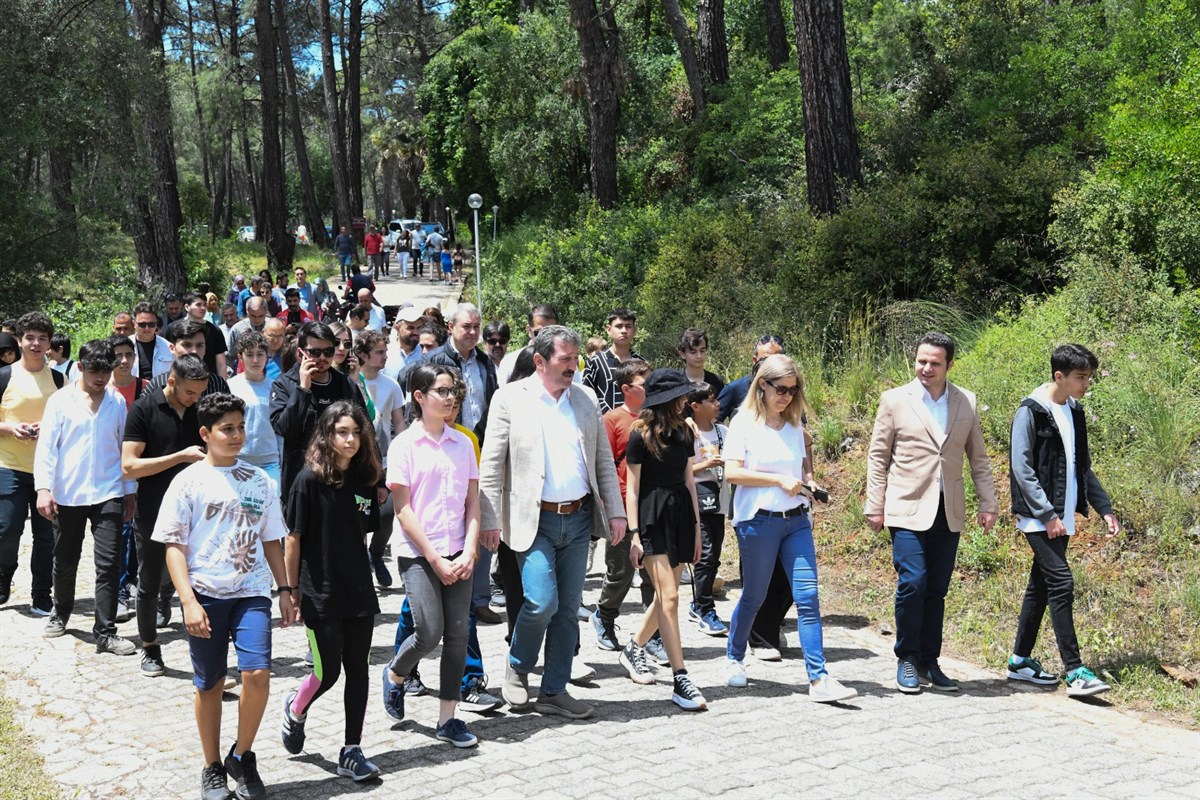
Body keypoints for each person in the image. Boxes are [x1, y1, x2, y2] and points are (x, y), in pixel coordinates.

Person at [479, 326, 626, 720]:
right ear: (540, 361)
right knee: (541, 601)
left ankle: (554, 690)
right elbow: (491, 465)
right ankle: (518, 664)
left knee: (567, 611)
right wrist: (489, 519)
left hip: (577, 519)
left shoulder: (585, 398)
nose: (573, 367)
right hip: (532, 520)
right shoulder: (509, 399)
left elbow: (603, 463)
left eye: (576, 359)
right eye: (565, 360)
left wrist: (616, 511)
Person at [154, 393, 294, 800]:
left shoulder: (259, 480)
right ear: (206, 433)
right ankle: (212, 766)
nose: (236, 436)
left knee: (257, 675)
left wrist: (284, 589)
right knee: (210, 684)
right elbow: (174, 546)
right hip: (205, 596)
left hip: (251, 592)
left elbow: (272, 539)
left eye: (240, 427)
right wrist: (188, 601)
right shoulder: (188, 481)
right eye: (226, 429)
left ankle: (242, 755)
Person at [865, 331, 999, 694]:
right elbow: (879, 457)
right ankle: (906, 658)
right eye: (921, 361)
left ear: (949, 365)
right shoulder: (894, 400)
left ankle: (929, 662)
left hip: (948, 509)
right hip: (905, 507)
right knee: (913, 582)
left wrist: (988, 503)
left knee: (936, 589)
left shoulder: (965, 402)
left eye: (934, 363)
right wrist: (874, 505)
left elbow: (979, 458)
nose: (926, 368)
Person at [722, 354, 856, 703]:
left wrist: (811, 485)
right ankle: (734, 657)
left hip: (796, 521)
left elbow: (801, 470)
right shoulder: (743, 424)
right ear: (762, 385)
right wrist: (777, 480)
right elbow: (733, 474)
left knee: (808, 598)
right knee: (755, 595)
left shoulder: (796, 427)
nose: (787, 397)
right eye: (781, 389)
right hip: (758, 521)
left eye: (794, 391)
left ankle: (819, 678)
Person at [1007, 344, 1119, 698]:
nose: (1087, 383)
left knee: (1039, 587)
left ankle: (1019, 661)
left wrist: (1104, 507)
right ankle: (1075, 672)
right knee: (1061, 583)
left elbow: (1081, 467)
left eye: (1089, 377)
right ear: (1060, 376)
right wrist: (1048, 514)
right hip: (1039, 516)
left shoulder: (1075, 411)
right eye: (1080, 377)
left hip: (1062, 513)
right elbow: (1021, 469)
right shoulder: (1031, 411)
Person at [280, 401, 383, 781]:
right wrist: (290, 590)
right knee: (328, 672)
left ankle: (352, 750)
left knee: (359, 670)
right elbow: (293, 538)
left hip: (358, 588)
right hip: (318, 590)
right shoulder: (308, 479)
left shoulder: (365, 479)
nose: (351, 439)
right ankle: (295, 707)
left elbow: (363, 532)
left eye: (356, 432)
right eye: (342, 432)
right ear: (327, 434)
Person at [382, 365, 483, 746]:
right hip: (418, 553)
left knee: (459, 634)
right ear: (419, 397)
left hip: (459, 550)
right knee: (429, 631)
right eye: (441, 391)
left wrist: (470, 547)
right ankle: (396, 673)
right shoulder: (404, 445)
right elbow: (403, 510)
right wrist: (435, 559)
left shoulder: (463, 443)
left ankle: (448, 719)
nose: (450, 397)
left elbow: (473, 502)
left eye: (452, 390)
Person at [34, 339, 137, 655]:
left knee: (108, 564)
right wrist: (43, 489)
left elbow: (125, 448)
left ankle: (105, 632)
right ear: (80, 367)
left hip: (108, 492)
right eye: (94, 371)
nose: (100, 378)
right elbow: (47, 449)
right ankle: (61, 611)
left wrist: (130, 492)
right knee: (65, 560)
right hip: (68, 494)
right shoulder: (60, 401)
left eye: (106, 371)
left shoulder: (117, 403)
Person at [617, 369, 707, 710]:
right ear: (667, 401)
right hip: (652, 518)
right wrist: (635, 534)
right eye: (682, 396)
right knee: (669, 597)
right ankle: (681, 677)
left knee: (667, 597)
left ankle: (633, 648)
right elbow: (634, 488)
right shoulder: (639, 435)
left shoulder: (684, 431)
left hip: (681, 515)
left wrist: (697, 527)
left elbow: (688, 480)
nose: (687, 400)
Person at [122, 354, 209, 676]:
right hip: (154, 511)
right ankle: (150, 649)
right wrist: (178, 458)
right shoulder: (143, 409)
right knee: (149, 582)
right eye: (190, 393)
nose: (196, 399)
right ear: (171, 381)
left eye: (200, 393)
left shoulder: (201, 409)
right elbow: (129, 465)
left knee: (201, 583)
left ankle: (207, 659)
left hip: (198, 513)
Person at [591, 359, 657, 653]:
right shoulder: (612, 420)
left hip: (653, 503)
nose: (651, 388)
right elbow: (602, 464)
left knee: (653, 572)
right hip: (621, 505)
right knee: (621, 571)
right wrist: (609, 507)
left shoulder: (657, 418)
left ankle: (652, 634)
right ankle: (604, 616)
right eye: (645, 384)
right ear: (626, 389)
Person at [0, 312, 64, 614]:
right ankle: (3, 579)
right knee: (6, 529)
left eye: (42, 338)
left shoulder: (59, 379)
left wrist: (45, 426)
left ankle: (42, 595)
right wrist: (11, 428)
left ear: (49, 344)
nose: (36, 344)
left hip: (48, 470)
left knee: (46, 536)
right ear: (19, 340)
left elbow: (68, 420)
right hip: (8, 464)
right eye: (30, 338)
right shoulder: (5, 376)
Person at [270, 321, 368, 506]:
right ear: (300, 353)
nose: (322, 358)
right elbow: (285, 429)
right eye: (315, 352)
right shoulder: (285, 384)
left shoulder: (345, 384)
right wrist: (303, 390)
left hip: (343, 480)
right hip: (301, 483)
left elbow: (366, 430)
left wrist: (376, 480)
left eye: (328, 352)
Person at [354, 330, 407, 586]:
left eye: (385, 351)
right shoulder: (351, 381)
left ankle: (376, 553)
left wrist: (405, 453)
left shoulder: (391, 384)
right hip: (357, 460)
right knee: (359, 514)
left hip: (386, 460)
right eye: (379, 352)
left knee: (386, 515)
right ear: (363, 355)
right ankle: (361, 563)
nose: (385, 357)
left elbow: (399, 423)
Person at [684, 381, 730, 636]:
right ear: (695, 406)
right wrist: (707, 464)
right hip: (697, 501)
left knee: (714, 556)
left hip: (720, 500)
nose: (717, 404)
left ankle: (696, 603)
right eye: (711, 400)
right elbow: (683, 470)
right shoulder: (688, 433)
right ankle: (704, 608)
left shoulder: (724, 432)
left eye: (716, 399)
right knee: (705, 554)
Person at [109, 336, 144, 621]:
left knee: (138, 530)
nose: (124, 361)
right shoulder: (102, 391)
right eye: (118, 355)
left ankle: (133, 579)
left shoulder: (144, 389)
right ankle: (120, 590)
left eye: (128, 355)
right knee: (122, 531)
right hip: (113, 474)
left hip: (144, 469)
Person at [228, 331, 282, 489]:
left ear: (267, 356)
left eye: (260, 354)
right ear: (240, 356)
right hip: (238, 459)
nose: (255, 360)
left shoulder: (276, 387)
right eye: (249, 354)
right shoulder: (230, 386)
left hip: (270, 461)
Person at [146, 319, 231, 397]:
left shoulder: (217, 384)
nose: (194, 351)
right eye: (187, 345)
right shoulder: (157, 385)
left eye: (199, 345)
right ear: (172, 348)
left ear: (205, 348)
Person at [582, 308, 642, 414]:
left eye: (628, 326)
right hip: (603, 427)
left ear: (634, 331)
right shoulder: (595, 362)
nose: (624, 330)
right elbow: (584, 398)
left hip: (636, 426)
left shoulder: (641, 363)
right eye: (619, 326)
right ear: (609, 330)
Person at [717, 334, 783, 424]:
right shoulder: (734, 389)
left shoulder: (789, 390)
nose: (769, 365)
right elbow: (710, 423)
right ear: (754, 360)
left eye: (774, 359)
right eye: (764, 360)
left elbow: (799, 425)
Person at [496, 305, 558, 385]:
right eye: (540, 332)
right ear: (529, 330)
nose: (546, 337)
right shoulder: (510, 362)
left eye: (551, 332)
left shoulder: (566, 361)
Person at [183, 293, 228, 378]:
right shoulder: (175, 329)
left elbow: (221, 363)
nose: (203, 308)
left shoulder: (215, 330)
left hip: (209, 381)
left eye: (205, 305)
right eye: (198, 305)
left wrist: (222, 384)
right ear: (187, 307)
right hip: (182, 379)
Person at [130, 302, 174, 380]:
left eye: (151, 324)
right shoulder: (125, 346)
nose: (147, 328)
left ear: (156, 324)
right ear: (134, 324)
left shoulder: (168, 347)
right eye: (142, 325)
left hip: (161, 390)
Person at [677, 328, 725, 398]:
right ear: (682, 354)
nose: (699, 356)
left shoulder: (716, 381)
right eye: (693, 352)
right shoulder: (675, 381)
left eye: (702, 351)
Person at [227, 298, 269, 376]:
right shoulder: (237, 329)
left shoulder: (272, 327)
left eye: (261, 316)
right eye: (253, 316)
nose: (257, 320)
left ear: (266, 311)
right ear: (247, 312)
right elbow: (229, 356)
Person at [383, 306, 425, 383]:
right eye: (411, 328)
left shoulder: (424, 353)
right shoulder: (385, 351)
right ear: (397, 328)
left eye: (419, 328)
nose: (416, 332)